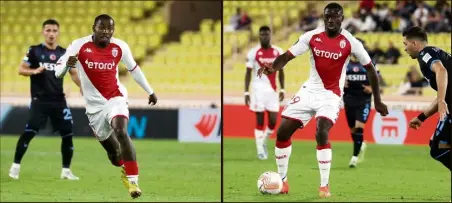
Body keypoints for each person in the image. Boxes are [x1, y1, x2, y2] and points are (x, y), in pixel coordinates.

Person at [258, 3, 388, 198]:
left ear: (342, 19)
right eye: (327, 16)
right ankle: (283, 182)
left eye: (335, 16)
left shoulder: (351, 42)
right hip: (309, 90)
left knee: (321, 130)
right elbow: (286, 56)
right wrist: (273, 67)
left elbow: (371, 69)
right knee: (283, 132)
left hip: (330, 95)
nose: (330, 20)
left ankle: (324, 186)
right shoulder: (311, 36)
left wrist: (377, 100)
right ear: (323, 18)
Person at [54, 14, 158, 199]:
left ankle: (133, 181)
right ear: (94, 27)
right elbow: (57, 72)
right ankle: (123, 167)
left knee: (120, 130)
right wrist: (65, 67)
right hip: (94, 108)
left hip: (115, 98)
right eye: (102, 28)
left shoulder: (120, 47)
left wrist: (150, 91)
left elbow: (134, 69)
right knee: (114, 155)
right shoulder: (79, 45)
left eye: (110, 29)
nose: (106, 32)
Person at [9, 19, 81, 181]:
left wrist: (83, 88)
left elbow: (74, 74)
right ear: (43, 32)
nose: (51, 34)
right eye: (48, 30)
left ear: (58, 33)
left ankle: (66, 171)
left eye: (54, 31)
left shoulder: (66, 53)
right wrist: (35, 71)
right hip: (39, 100)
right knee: (29, 132)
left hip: (59, 101)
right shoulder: (34, 51)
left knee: (68, 133)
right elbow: (21, 69)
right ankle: (15, 166)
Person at [402, 26, 451, 171]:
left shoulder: (425, 53)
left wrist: (442, 101)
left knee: (438, 147)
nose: (405, 49)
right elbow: (445, 93)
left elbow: (441, 71)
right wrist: (422, 117)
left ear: (415, 44)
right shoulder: (438, 52)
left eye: (405, 44)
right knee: (438, 145)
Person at [245, 26, 284, 160]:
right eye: (262, 35)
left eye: (266, 34)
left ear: (270, 35)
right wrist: (246, 93)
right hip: (258, 89)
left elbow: (281, 72)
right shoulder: (253, 52)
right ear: (259, 36)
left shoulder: (278, 51)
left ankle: (264, 140)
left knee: (273, 121)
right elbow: (248, 73)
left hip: (273, 91)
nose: (264, 37)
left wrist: (283, 89)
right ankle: (260, 149)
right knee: (260, 120)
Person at [343, 38, 381, 168]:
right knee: (353, 129)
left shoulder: (369, 64)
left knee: (359, 127)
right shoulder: (344, 64)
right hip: (348, 100)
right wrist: (341, 83)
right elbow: (336, 79)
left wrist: (372, 88)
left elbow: (377, 80)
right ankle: (360, 145)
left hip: (363, 101)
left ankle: (354, 158)